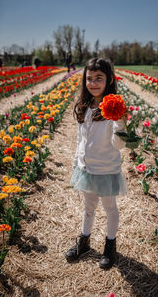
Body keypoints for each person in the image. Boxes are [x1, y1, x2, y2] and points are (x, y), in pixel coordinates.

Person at [65, 58, 127, 269]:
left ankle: (110, 245)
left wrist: (120, 121)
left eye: (98, 78)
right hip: (86, 169)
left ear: (109, 80)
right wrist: (76, 163)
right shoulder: (85, 106)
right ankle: (84, 241)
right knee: (88, 207)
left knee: (110, 208)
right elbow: (80, 141)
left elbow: (118, 145)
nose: (93, 83)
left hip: (106, 169)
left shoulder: (112, 110)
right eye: (89, 78)